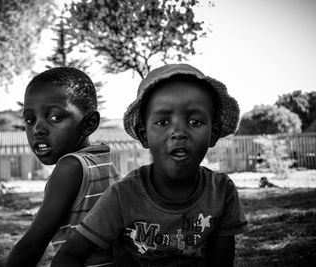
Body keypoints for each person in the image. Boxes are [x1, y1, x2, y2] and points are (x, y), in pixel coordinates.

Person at [52, 63, 248, 266]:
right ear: (144, 136)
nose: (179, 132)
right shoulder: (123, 196)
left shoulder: (221, 192)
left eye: (195, 122)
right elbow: (68, 256)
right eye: (163, 122)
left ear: (213, 134)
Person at [5, 67, 120, 267]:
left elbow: (33, 244)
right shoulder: (103, 158)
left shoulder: (71, 167)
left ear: (89, 123)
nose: (38, 129)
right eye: (29, 120)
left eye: (55, 118)